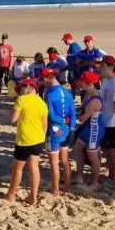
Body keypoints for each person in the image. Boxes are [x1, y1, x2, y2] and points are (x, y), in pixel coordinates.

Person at [5, 78, 47, 205]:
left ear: (29, 87)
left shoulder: (21, 100)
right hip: (39, 138)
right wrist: (42, 138)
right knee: (34, 167)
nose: (20, 91)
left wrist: (14, 109)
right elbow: (45, 124)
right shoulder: (42, 102)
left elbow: (13, 119)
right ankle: (33, 196)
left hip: (24, 139)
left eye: (22, 88)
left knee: (17, 168)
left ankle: (11, 195)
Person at [42, 67, 75, 195]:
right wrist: (70, 126)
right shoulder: (67, 92)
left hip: (55, 129)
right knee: (65, 161)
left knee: (54, 163)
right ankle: (67, 187)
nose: (43, 81)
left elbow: (51, 115)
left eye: (44, 79)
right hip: (65, 130)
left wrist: (62, 121)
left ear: (48, 78)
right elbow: (72, 112)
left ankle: (55, 189)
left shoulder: (49, 94)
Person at [72, 71, 104, 191]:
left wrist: (71, 117)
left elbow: (83, 118)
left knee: (92, 156)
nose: (80, 85)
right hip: (88, 127)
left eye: (82, 83)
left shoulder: (95, 100)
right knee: (78, 148)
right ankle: (79, 176)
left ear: (90, 84)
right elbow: (82, 110)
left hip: (94, 129)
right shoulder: (88, 94)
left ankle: (94, 182)